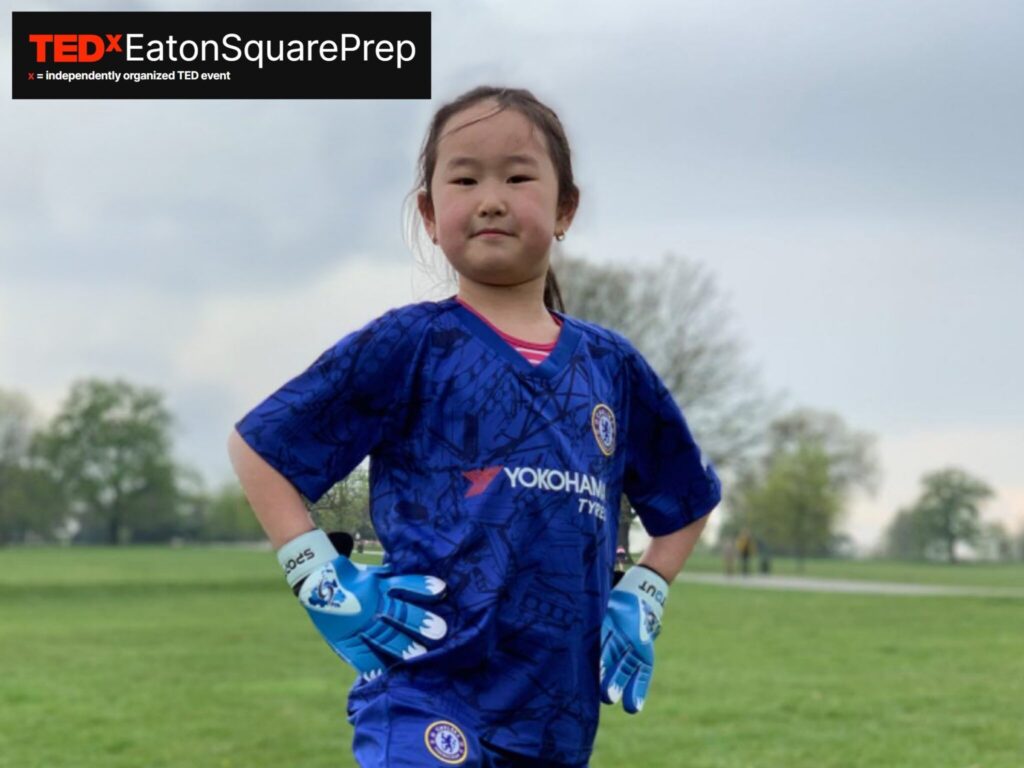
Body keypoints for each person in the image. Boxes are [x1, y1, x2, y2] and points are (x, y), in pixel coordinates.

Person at [227, 85, 722, 768]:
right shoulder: (410, 345)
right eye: (465, 178)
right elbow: (261, 448)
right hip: (422, 690)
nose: (491, 198)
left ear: (565, 207)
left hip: (556, 717)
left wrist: (647, 587)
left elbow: (686, 499)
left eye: (518, 177)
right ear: (430, 214)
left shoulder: (611, 368)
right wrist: (316, 573)